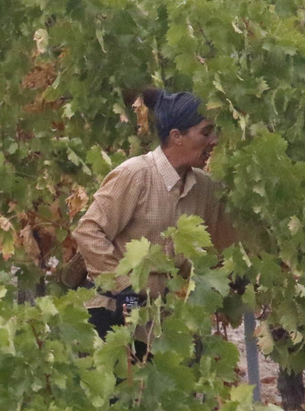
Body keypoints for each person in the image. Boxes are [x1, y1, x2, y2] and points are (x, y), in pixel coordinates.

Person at [73, 88, 234, 343]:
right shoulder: (136, 175)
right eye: (206, 132)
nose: (214, 140)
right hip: (115, 317)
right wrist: (123, 287)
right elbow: (88, 231)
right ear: (177, 136)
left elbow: (226, 247)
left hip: (167, 324)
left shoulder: (206, 188)